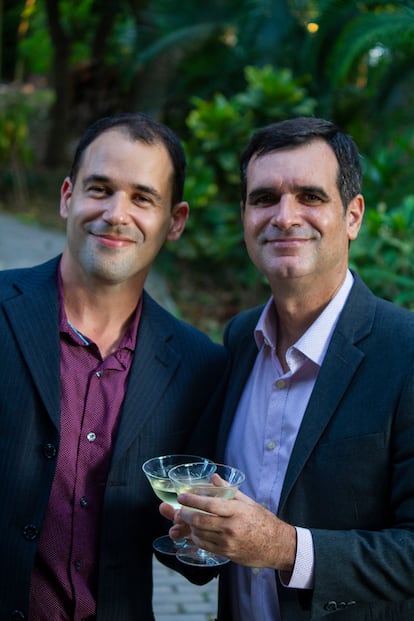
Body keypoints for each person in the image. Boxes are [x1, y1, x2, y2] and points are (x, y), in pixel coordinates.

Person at [161, 117, 414, 620]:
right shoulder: (238, 340)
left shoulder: (404, 350)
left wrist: (285, 548)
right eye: (264, 198)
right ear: (244, 217)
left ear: (353, 216)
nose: (284, 216)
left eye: (311, 197)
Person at [0, 112, 228, 621]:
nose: (116, 213)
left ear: (175, 221)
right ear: (67, 197)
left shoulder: (199, 365)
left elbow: (198, 566)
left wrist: (209, 531)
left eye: (142, 197)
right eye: (99, 189)